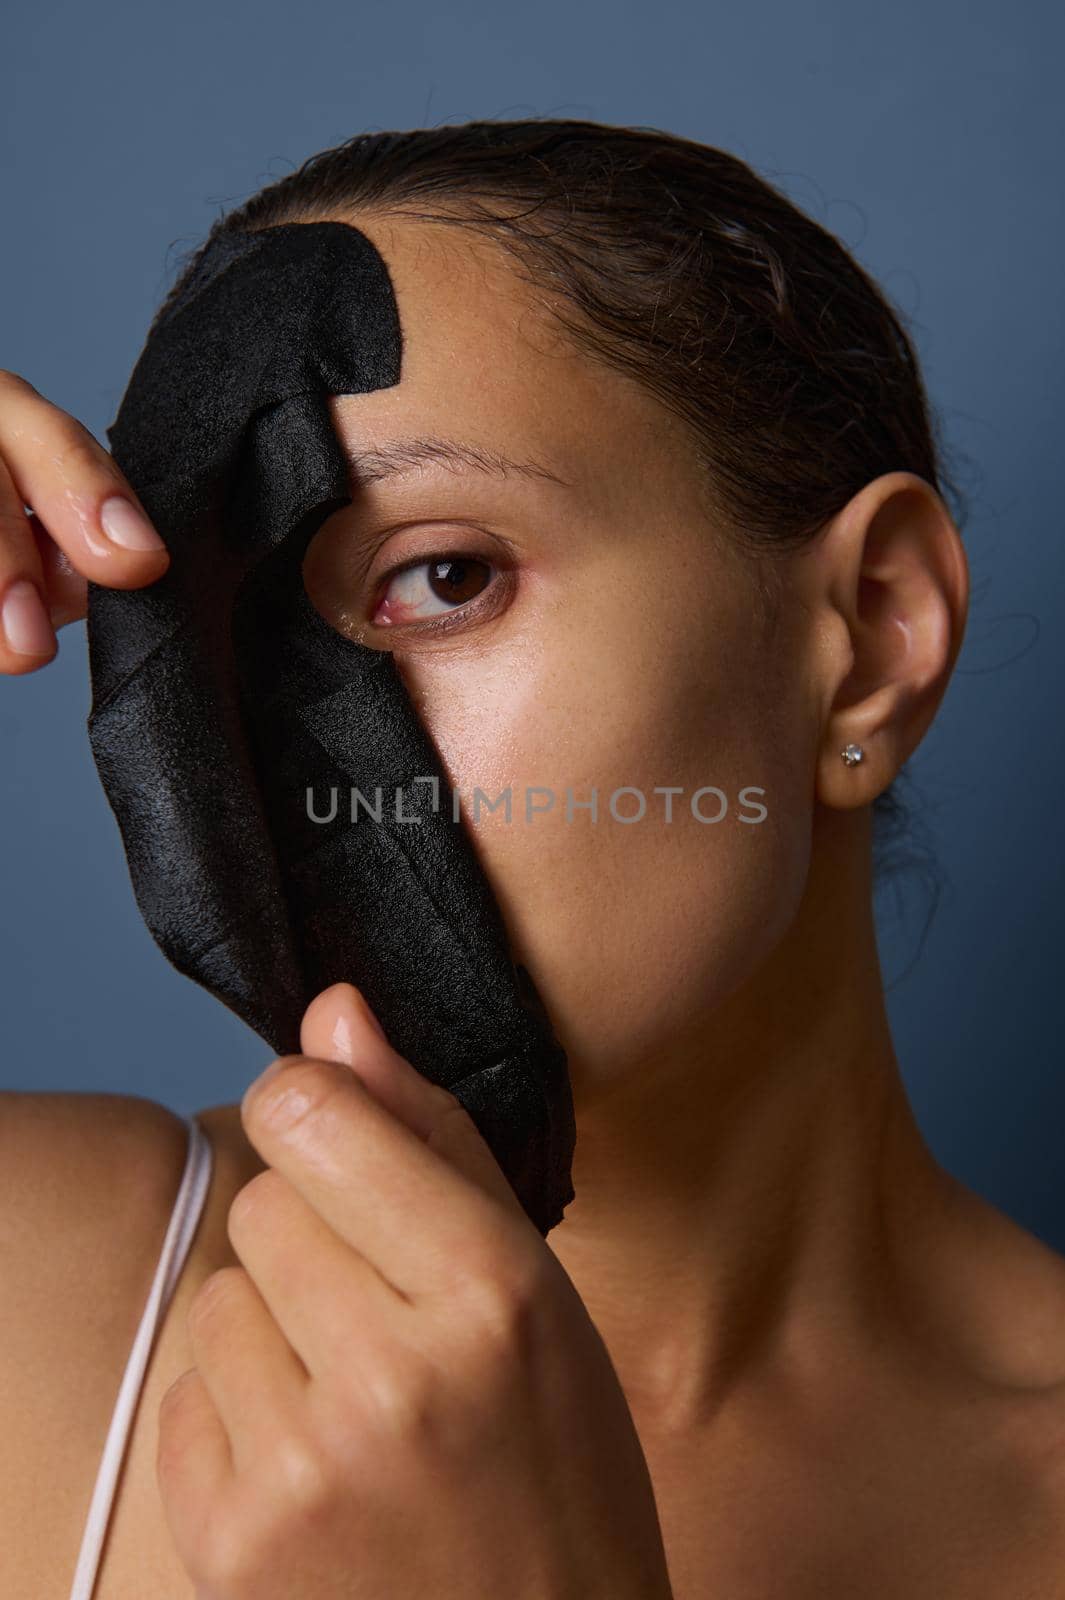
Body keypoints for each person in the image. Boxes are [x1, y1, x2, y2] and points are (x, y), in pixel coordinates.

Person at [2, 119, 1064, 1599]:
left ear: (872, 635)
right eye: (197, 654)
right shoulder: (32, 1305)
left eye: (444, 577)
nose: (274, 773)